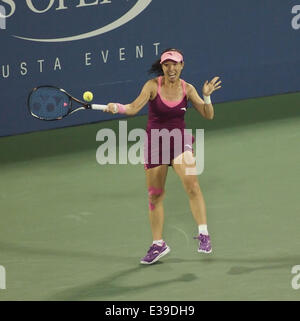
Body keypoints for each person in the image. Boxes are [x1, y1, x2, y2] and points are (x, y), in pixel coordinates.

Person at [105, 48, 221, 264]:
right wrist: (116, 108)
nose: (171, 68)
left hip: (179, 141)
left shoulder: (188, 89)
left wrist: (207, 96)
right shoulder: (152, 86)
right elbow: (132, 108)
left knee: (192, 185)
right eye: (167, 64)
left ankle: (203, 233)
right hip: (155, 143)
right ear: (162, 67)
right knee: (155, 195)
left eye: (175, 64)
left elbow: (208, 115)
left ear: (182, 66)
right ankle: (158, 244)